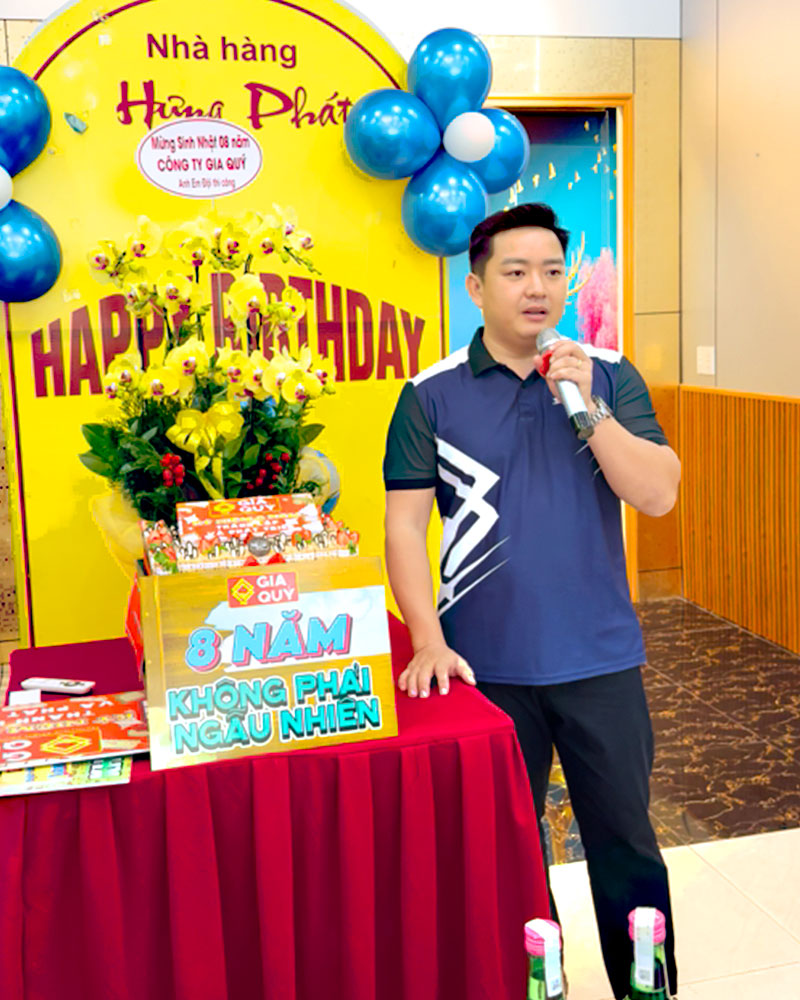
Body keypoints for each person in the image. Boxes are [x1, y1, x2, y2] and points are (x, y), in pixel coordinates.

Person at [382, 203, 680, 1000]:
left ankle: (646, 988)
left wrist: (586, 403)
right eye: (515, 272)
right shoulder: (429, 395)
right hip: (484, 669)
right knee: (505, 854)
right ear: (476, 286)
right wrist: (427, 639)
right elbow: (404, 527)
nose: (537, 288)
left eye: (552, 271)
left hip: (600, 658)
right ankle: (535, 986)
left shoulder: (606, 373)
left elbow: (656, 495)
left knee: (626, 844)